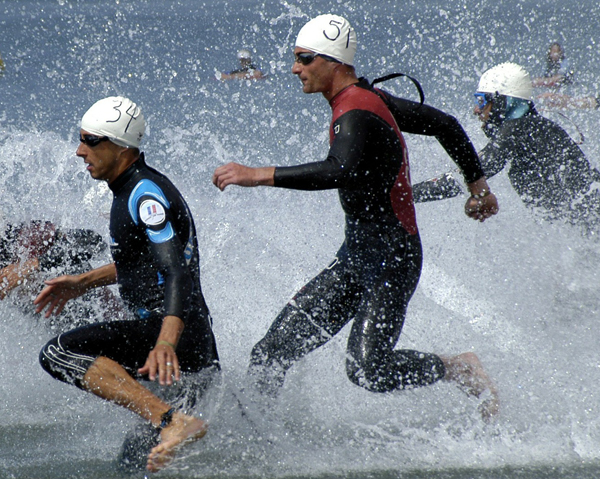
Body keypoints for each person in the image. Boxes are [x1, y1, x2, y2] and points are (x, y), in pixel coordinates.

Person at [213, 14, 500, 421]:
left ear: (334, 62)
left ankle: (458, 368)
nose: (295, 68)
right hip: (356, 257)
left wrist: (257, 174)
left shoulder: (358, 111)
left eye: (304, 59)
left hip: (392, 262)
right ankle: (262, 443)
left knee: (368, 369)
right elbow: (445, 124)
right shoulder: (367, 100)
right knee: (270, 353)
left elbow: (339, 169)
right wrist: (478, 188)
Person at [33, 96, 220, 472]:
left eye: (90, 140)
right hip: (189, 348)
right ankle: (172, 421)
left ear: (120, 147)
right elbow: (141, 262)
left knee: (58, 354)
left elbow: (176, 271)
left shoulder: (144, 194)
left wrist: (166, 342)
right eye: (80, 138)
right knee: (133, 466)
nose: (79, 150)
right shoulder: (130, 188)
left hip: (172, 339)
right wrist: (84, 282)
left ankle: (172, 421)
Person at [471, 63, 600, 232]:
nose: (475, 110)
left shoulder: (517, 129)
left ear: (504, 102)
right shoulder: (532, 128)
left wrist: (423, 193)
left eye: (481, 101)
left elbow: (472, 172)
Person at [0, 220, 113, 329]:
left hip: (113, 320)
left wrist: (36, 263)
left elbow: (93, 240)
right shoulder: (12, 290)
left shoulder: (24, 239)